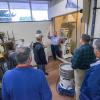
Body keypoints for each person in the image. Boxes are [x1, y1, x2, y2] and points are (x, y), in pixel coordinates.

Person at [71, 34, 96, 100]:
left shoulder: (79, 50)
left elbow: (74, 64)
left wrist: (73, 63)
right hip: (88, 70)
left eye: (80, 38)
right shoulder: (92, 48)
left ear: (82, 40)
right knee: (85, 84)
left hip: (80, 71)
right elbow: (94, 59)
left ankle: (78, 98)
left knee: (78, 86)